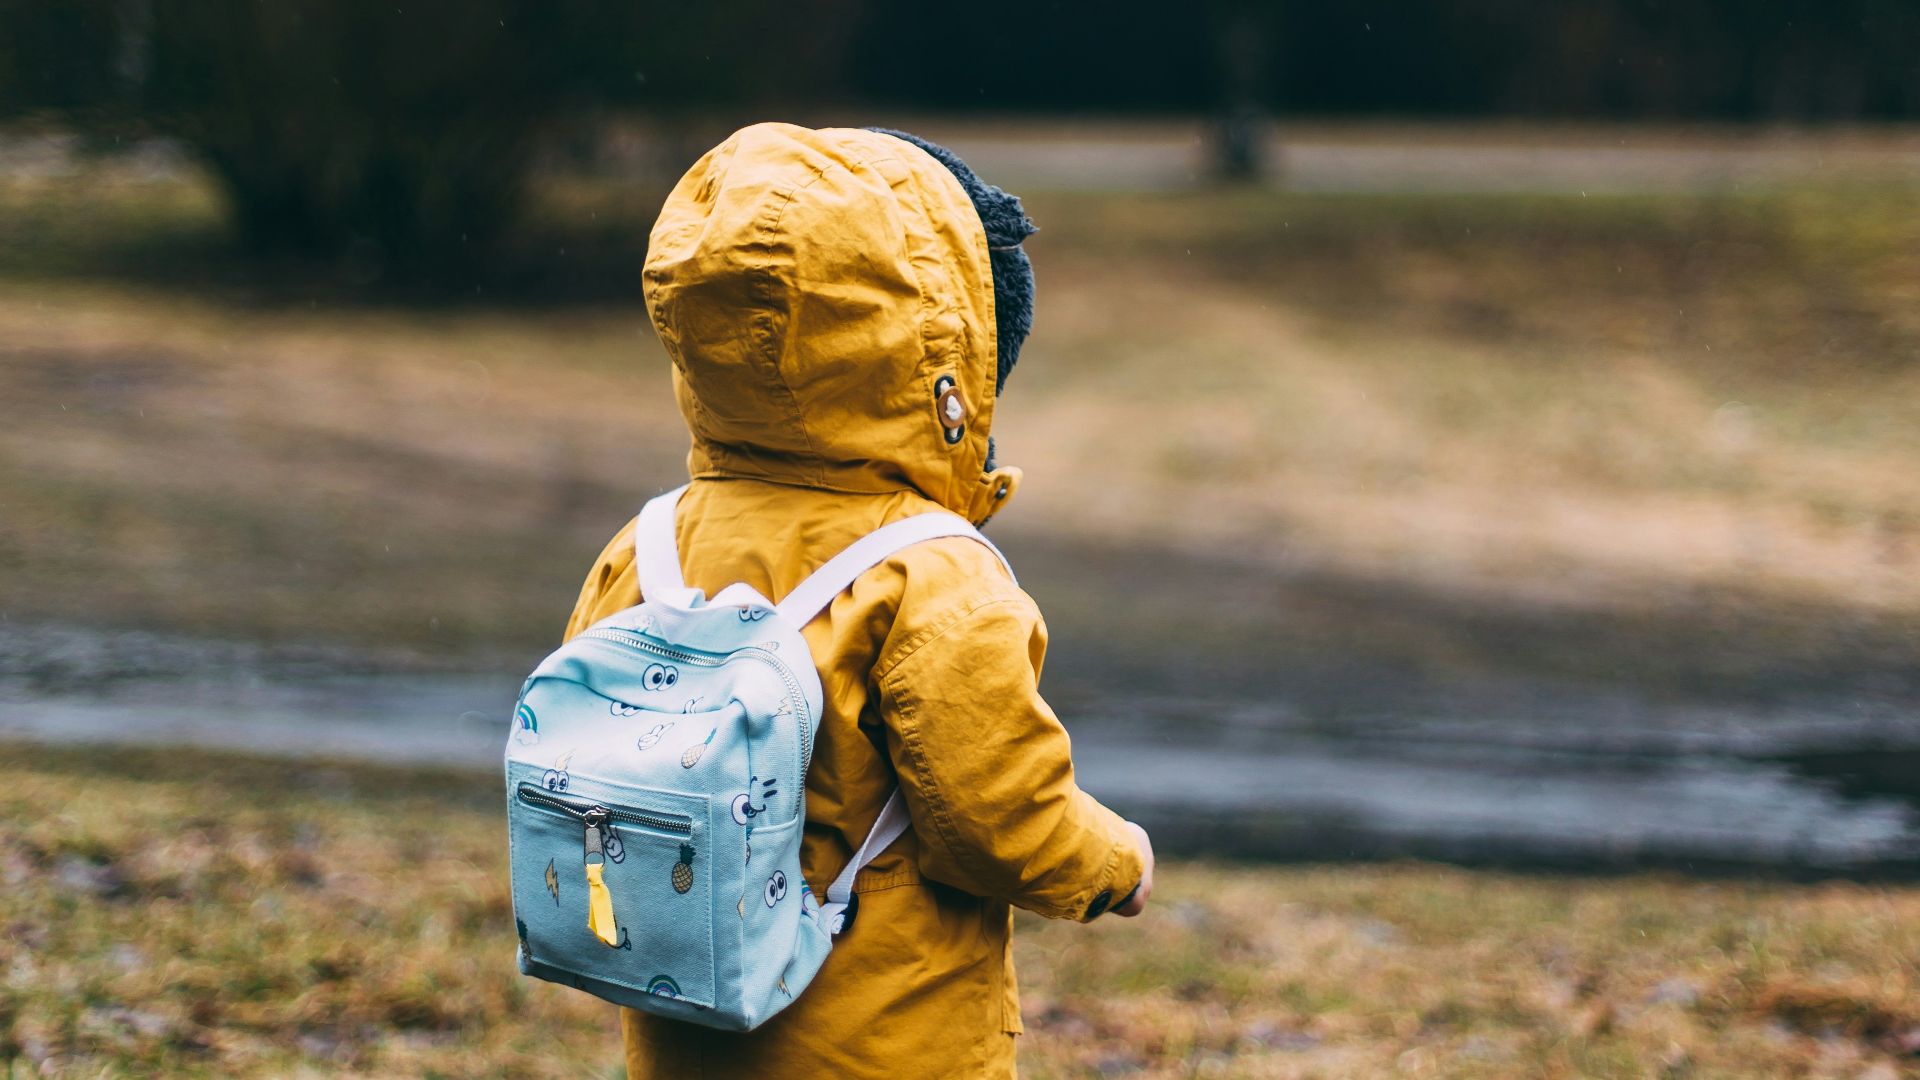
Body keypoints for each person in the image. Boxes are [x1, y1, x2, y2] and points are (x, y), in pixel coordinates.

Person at [563, 122, 1153, 1079]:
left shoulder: (652, 545)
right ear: (941, 351)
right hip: (885, 1044)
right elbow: (997, 817)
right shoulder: (928, 575)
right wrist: (1117, 864)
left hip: (687, 1023)